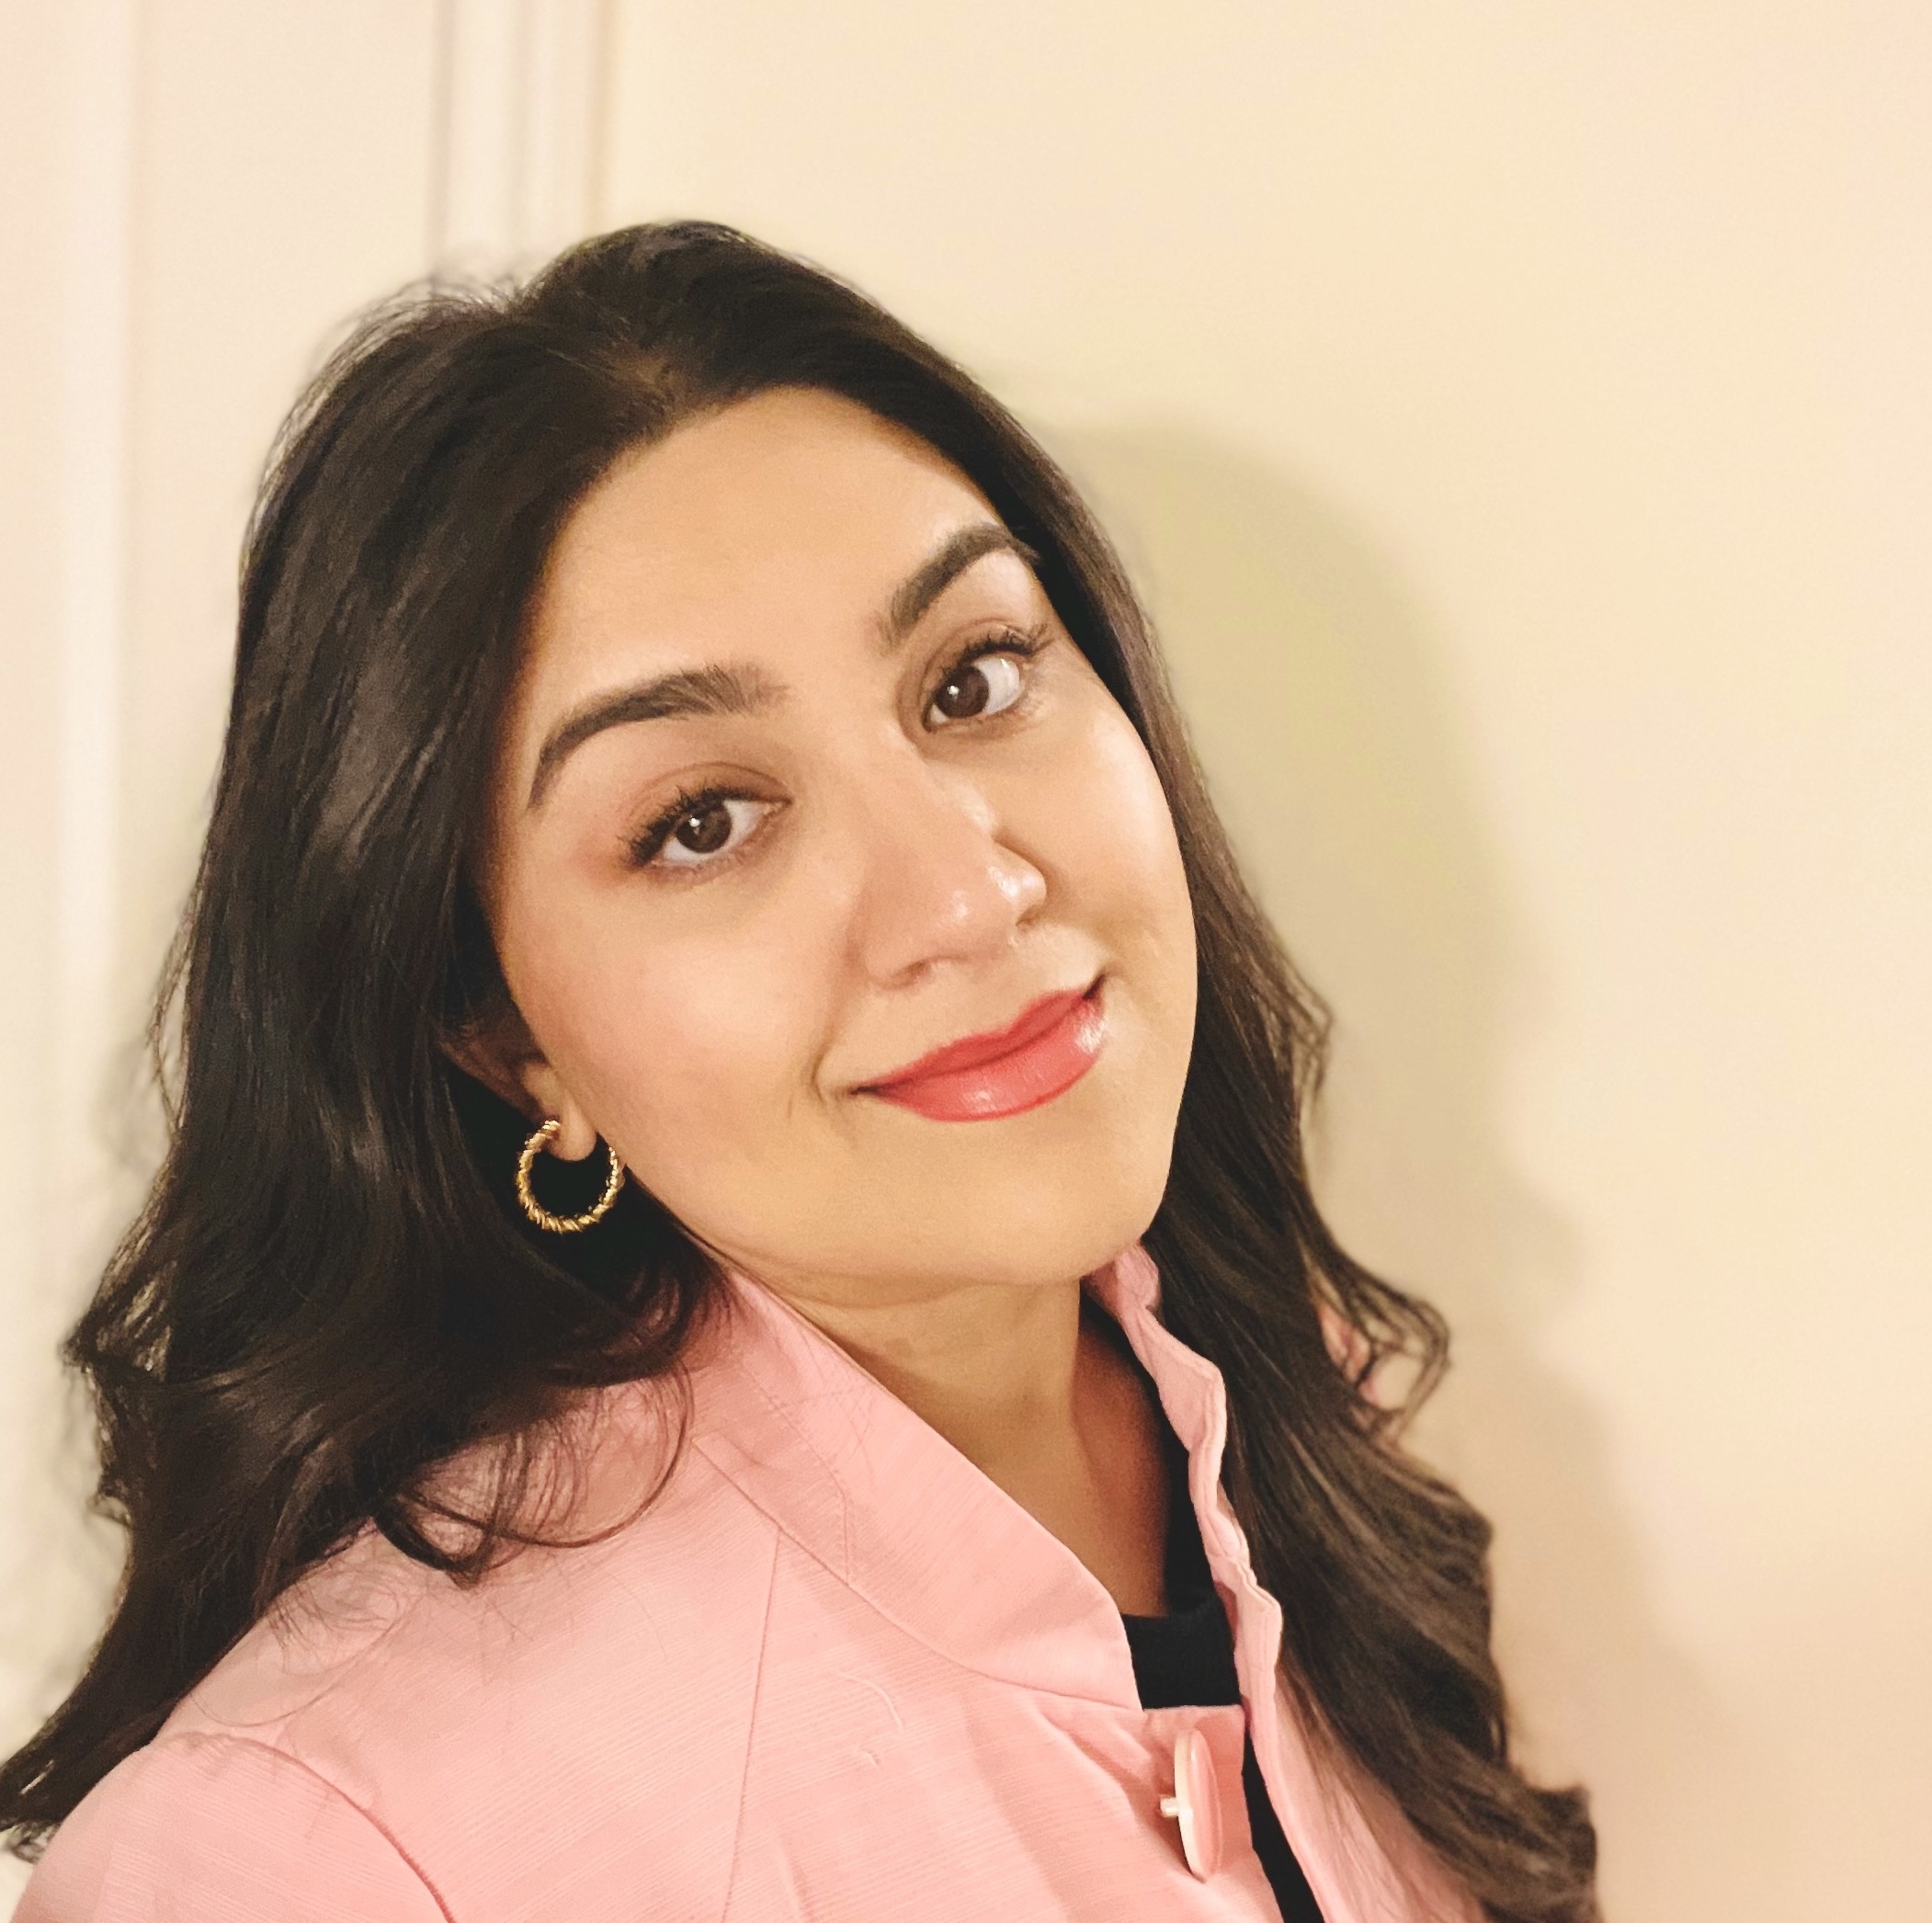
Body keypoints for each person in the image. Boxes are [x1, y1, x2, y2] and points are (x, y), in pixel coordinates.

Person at [0, 222, 1597, 1922]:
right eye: (702, 823)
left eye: (974, 680)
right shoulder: (314, 1853)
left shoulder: (1303, 1425)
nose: (967, 896)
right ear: (504, 1035)